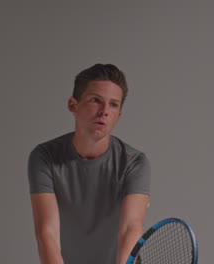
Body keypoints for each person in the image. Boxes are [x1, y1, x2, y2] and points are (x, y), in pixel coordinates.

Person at [28, 63, 151, 264]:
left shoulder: (135, 163)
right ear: (73, 105)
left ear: (118, 116)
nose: (104, 111)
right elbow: (46, 234)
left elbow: (130, 229)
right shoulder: (44, 157)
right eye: (96, 100)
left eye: (113, 104)